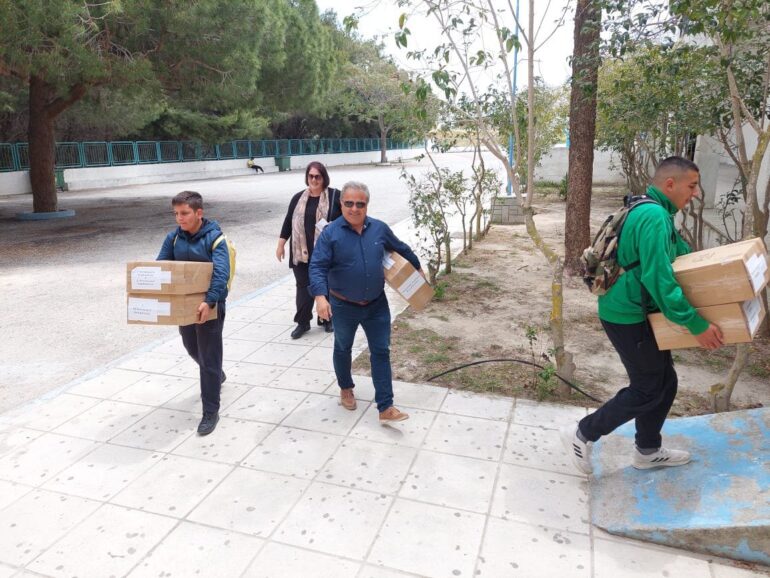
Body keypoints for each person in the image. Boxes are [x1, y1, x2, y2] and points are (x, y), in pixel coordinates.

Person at [561, 156, 724, 474]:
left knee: (666, 381)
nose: (695, 193)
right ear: (670, 184)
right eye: (692, 186)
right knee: (648, 387)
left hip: (636, 311)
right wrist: (696, 324)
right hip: (626, 315)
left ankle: (648, 450)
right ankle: (582, 433)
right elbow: (658, 278)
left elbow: (677, 255)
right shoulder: (653, 216)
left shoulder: (652, 209)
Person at [309, 181, 425, 423]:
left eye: (360, 204)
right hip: (343, 305)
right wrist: (320, 296)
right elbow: (317, 266)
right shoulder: (330, 234)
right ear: (341, 204)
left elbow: (401, 248)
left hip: (376, 304)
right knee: (343, 348)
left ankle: (386, 406)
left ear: (367, 205)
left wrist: (418, 268)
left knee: (381, 351)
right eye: (349, 203)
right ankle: (345, 387)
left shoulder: (379, 229)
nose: (354, 209)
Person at [157, 191, 230, 436]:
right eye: (176, 213)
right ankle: (216, 374)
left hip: (211, 307)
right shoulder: (173, 239)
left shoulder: (215, 238)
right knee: (190, 347)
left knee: (208, 358)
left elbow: (220, 273)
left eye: (184, 213)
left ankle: (210, 411)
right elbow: (162, 267)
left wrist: (209, 302)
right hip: (185, 308)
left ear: (199, 213)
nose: (179, 218)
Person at [276, 161, 342, 339]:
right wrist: (281, 244)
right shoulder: (298, 198)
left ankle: (327, 319)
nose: (314, 180)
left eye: (317, 176)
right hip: (301, 253)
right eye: (311, 176)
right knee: (303, 288)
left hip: (326, 252)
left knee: (327, 285)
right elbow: (288, 221)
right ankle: (303, 322)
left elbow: (346, 219)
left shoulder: (335, 197)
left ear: (324, 177)